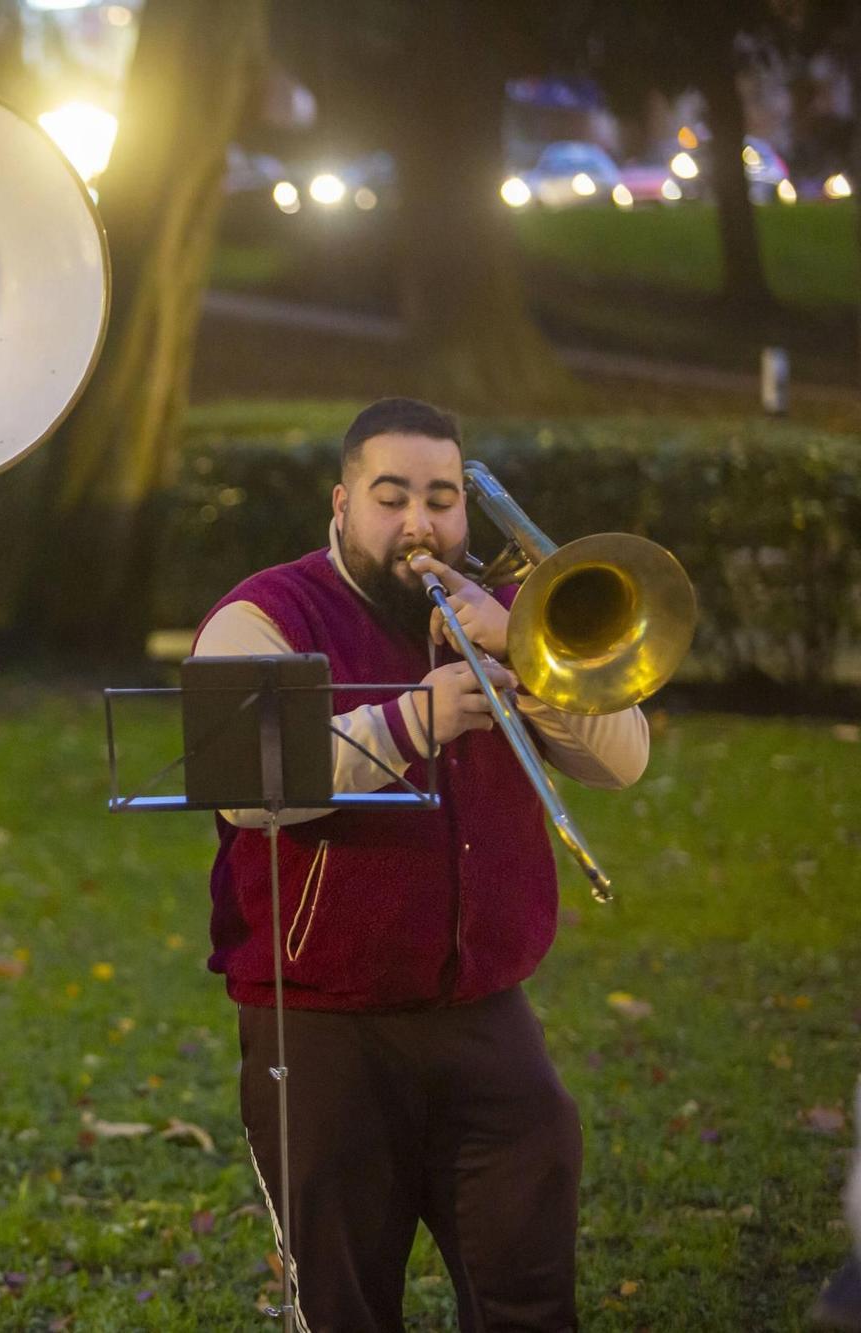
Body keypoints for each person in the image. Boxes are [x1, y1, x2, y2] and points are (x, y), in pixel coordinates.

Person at [190, 397, 650, 1330]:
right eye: (390, 495)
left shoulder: (507, 615)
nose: (419, 524)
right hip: (320, 1021)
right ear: (341, 502)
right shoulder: (264, 613)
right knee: (348, 1304)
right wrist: (412, 719)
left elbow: (623, 756)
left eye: (441, 499)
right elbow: (243, 787)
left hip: (486, 1013)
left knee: (531, 1290)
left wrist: (517, 646)